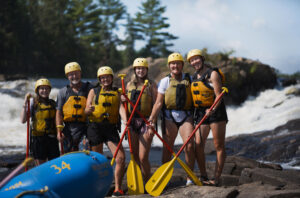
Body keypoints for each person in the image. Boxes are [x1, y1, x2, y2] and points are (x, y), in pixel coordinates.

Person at [148, 52, 196, 186]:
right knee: (167, 148)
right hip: (169, 117)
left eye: (178, 63)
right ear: (169, 66)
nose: (175, 66)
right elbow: (158, 103)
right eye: (173, 64)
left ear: (182, 65)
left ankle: (189, 178)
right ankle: (165, 177)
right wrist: (152, 118)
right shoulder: (165, 81)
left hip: (186, 116)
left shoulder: (190, 79)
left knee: (190, 145)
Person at [187, 49, 228, 186]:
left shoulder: (213, 73)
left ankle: (216, 178)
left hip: (216, 113)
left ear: (202, 59)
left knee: (218, 145)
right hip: (200, 114)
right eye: (192, 60)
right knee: (198, 145)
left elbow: (219, 95)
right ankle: (203, 175)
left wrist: (212, 109)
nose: (194, 62)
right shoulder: (193, 77)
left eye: (196, 59)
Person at [85, 66, 126, 197]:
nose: (105, 79)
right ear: (99, 79)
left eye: (107, 77)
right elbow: (86, 109)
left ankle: (117, 189)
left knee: (120, 158)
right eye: (102, 78)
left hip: (111, 129)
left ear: (111, 78)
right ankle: (99, 188)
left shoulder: (117, 92)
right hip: (95, 128)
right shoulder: (93, 91)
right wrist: (88, 110)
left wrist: (126, 120)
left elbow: (120, 108)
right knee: (98, 161)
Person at [125, 58, 157, 182]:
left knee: (143, 157)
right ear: (134, 70)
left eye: (143, 68)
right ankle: (138, 182)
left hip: (146, 122)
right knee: (135, 156)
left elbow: (155, 104)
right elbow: (125, 104)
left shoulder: (151, 84)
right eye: (138, 68)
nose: (140, 71)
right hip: (132, 122)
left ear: (146, 70)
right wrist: (123, 100)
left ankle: (148, 180)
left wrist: (152, 122)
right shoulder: (129, 85)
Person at [21, 78, 59, 166]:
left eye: (46, 88)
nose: (44, 91)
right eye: (42, 88)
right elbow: (23, 120)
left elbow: (58, 119)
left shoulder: (53, 104)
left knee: (54, 164)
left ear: (49, 90)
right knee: (40, 165)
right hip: (38, 140)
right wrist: (25, 103)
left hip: (52, 139)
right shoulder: (33, 103)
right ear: (37, 90)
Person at [56, 62, 92, 152]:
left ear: (80, 73)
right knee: (67, 157)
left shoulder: (90, 89)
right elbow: (59, 113)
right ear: (67, 76)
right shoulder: (63, 92)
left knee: (84, 154)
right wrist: (59, 132)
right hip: (68, 130)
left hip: (85, 129)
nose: (74, 76)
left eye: (76, 73)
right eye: (71, 74)